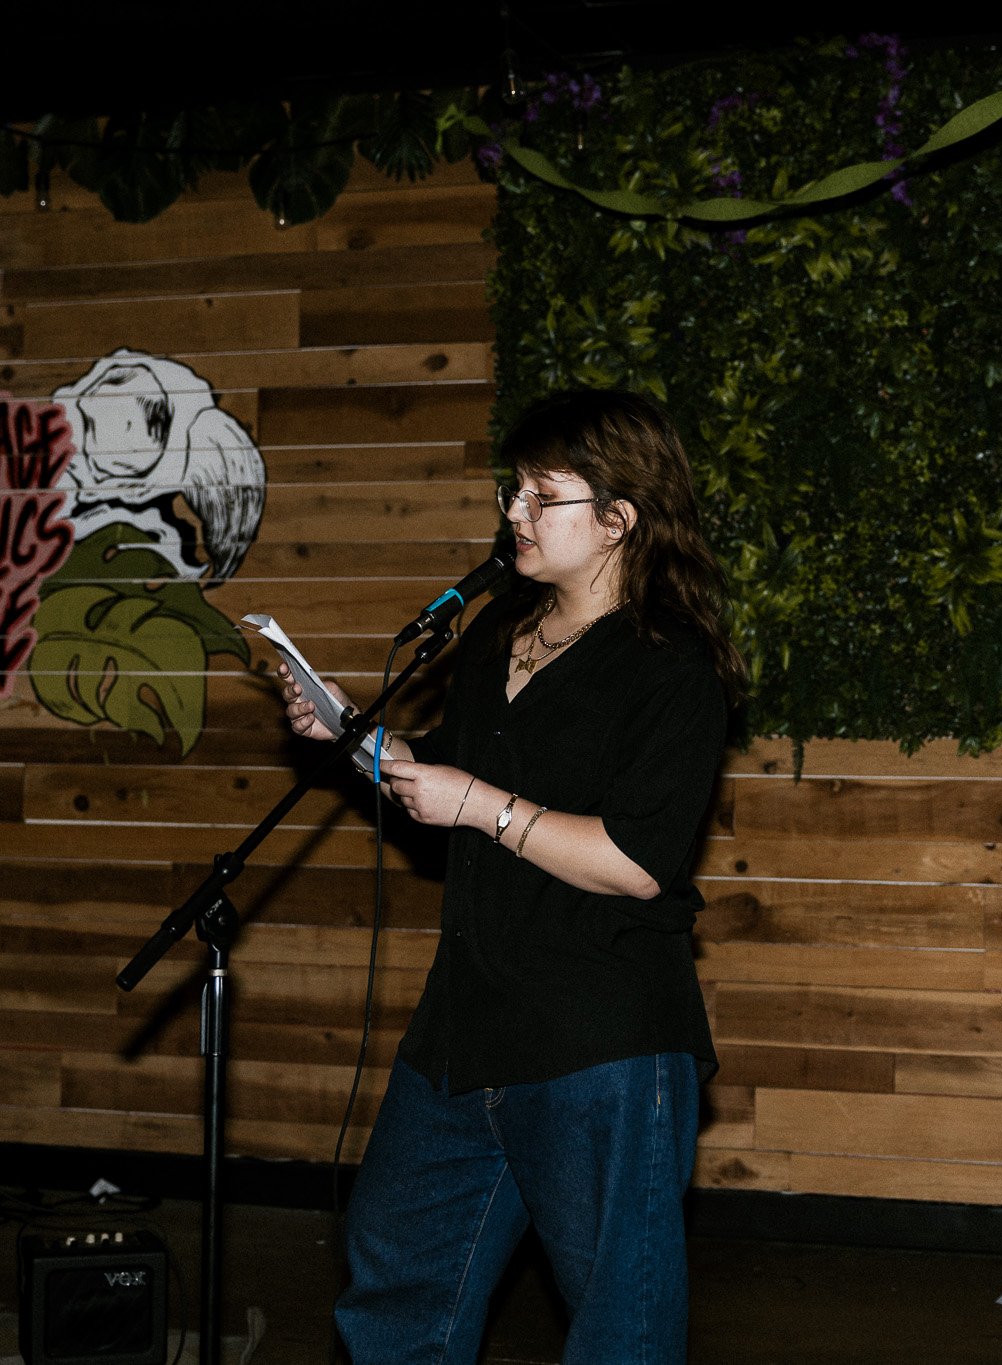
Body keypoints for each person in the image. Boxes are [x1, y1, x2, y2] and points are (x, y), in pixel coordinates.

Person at [276, 389, 746, 1364]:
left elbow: (636, 862)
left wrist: (479, 804)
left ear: (618, 518)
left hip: (598, 1040)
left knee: (619, 1323)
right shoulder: (497, 632)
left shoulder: (672, 667)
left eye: (543, 495)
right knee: (397, 1282)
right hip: (464, 1025)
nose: (515, 513)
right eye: (513, 491)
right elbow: (448, 777)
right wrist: (352, 736)